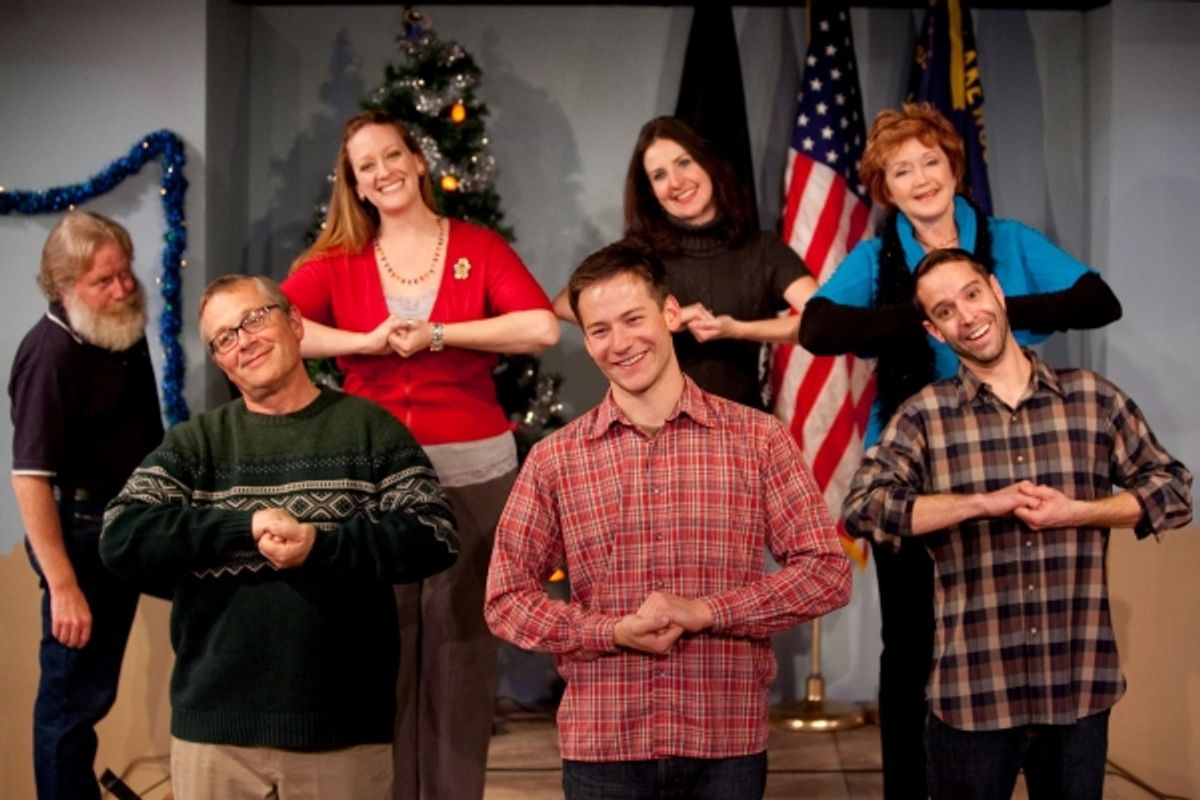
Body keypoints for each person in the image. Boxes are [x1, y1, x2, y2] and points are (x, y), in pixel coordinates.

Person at [798, 102, 1123, 799]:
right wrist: (919, 319)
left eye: (930, 162)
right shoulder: (878, 258)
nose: (919, 179)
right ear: (884, 187)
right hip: (917, 466)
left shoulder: (1007, 240)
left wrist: (996, 314)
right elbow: (817, 328)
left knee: (1025, 632)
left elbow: (1100, 300)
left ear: (953, 166)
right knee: (912, 644)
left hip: (1018, 451)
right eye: (900, 170)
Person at [485, 241, 852, 800]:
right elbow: (505, 600)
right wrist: (606, 631)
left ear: (671, 314)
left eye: (634, 318)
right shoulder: (555, 459)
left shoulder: (759, 440)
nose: (621, 342)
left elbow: (827, 572)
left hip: (724, 742)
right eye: (600, 329)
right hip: (603, 744)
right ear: (585, 342)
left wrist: (707, 611)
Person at [280, 108, 558, 800]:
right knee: (385, 651)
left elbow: (541, 326)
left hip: (475, 470)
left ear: (417, 159)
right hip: (376, 480)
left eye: (392, 155)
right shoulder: (335, 261)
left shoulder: (475, 245)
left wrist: (440, 334)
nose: (383, 171)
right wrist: (363, 343)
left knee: (463, 654)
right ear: (356, 186)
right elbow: (272, 328)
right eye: (366, 165)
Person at [843, 249, 1192, 799]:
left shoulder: (1092, 399)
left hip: (1077, 690)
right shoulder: (923, 416)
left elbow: (1172, 489)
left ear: (998, 294)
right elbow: (863, 507)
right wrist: (980, 503)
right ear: (935, 331)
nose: (967, 315)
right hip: (975, 694)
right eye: (946, 310)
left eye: (972, 294)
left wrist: (1079, 512)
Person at [99, 275, 460, 799]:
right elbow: (121, 533)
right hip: (214, 734)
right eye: (224, 338)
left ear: (294, 323)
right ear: (221, 361)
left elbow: (434, 532)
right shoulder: (196, 445)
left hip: (342, 732)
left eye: (254, 319)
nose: (243, 341)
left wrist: (322, 545)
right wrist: (238, 526)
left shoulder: (368, 430)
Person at [8, 211, 163, 800]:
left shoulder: (120, 324)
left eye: (125, 273)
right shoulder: (50, 355)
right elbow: (29, 480)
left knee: (94, 693)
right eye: (105, 282)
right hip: (79, 536)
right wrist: (64, 586)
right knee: (72, 705)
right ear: (64, 287)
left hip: (131, 521)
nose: (124, 289)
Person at [554, 116, 817, 410]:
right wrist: (665, 316)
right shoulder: (639, 252)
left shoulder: (761, 249)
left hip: (741, 425)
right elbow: (565, 304)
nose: (676, 182)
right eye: (659, 175)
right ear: (650, 191)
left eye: (684, 162)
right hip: (657, 424)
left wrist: (737, 329)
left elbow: (821, 320)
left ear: (709, 163)